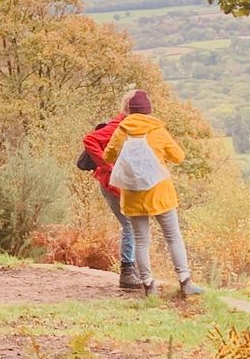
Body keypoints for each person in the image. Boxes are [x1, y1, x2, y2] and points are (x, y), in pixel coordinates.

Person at [103, 89, 203, 297]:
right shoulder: (158, 131)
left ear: (130, 111)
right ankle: (185, 282)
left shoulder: (122, 131)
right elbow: (179, 156)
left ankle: (149, 285)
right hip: (160, 194)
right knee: (173, 237)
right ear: (149, 111)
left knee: (141, 240)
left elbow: (108, 156)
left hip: (132, 194)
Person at [81, 116, 139, 290]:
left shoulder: (131, 126)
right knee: (130, 224)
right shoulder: (119, 126)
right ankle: (127, 272)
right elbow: (90, 139)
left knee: (133, 224)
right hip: (111, 184)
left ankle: (132, 270)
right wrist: (107, 166)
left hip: (115, 184)